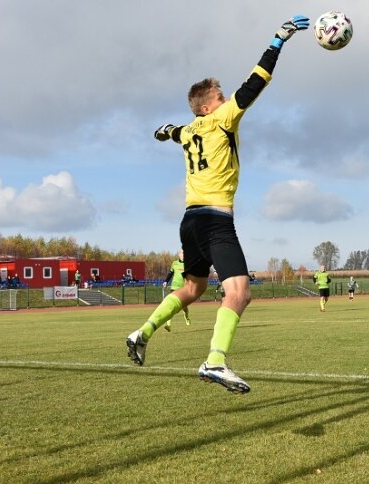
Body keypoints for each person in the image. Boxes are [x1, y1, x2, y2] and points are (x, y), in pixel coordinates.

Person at [125, 14, 310, 394]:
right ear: (208, 107)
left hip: (189, 220)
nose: (226, 98)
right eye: (219, 95)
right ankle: (214, 361)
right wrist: (278, 40)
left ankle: (142, 332)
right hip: (214, 219)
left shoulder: (189, 129)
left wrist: (163, 131)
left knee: (192, 289)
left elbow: (169, 131)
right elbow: (256, 81)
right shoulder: (223, 118)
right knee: (240, 292)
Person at [162, 249, 191, 332]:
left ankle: (187, 317)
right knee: (171, 307)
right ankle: (168, 325)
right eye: (182, 253)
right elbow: (170, 273)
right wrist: (165, 281)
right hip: (174, 288)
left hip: (184, 289)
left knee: (184, 308)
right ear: (179, 254)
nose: (183, 255)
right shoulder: (174, 263)